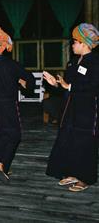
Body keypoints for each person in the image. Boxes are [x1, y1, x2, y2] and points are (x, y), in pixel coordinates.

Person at [44, 23, 99, 192]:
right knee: (69, 141)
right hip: (71, 110)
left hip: (87, 111)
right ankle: (73, 173)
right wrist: (55, 84)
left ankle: (86, 178)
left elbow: (93, 87)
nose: (72, 44)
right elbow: (67, 86)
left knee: (85, 144)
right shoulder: (73, 62)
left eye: (75, 41)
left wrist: (69, 87)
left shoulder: (95, 62)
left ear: (85, 43)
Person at [0, 27, 35, 184]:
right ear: (3, 46)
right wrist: (20, 82)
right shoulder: (11, 65)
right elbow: (30, 80)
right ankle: (1, 164)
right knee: (14, 135)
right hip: (7, 106)